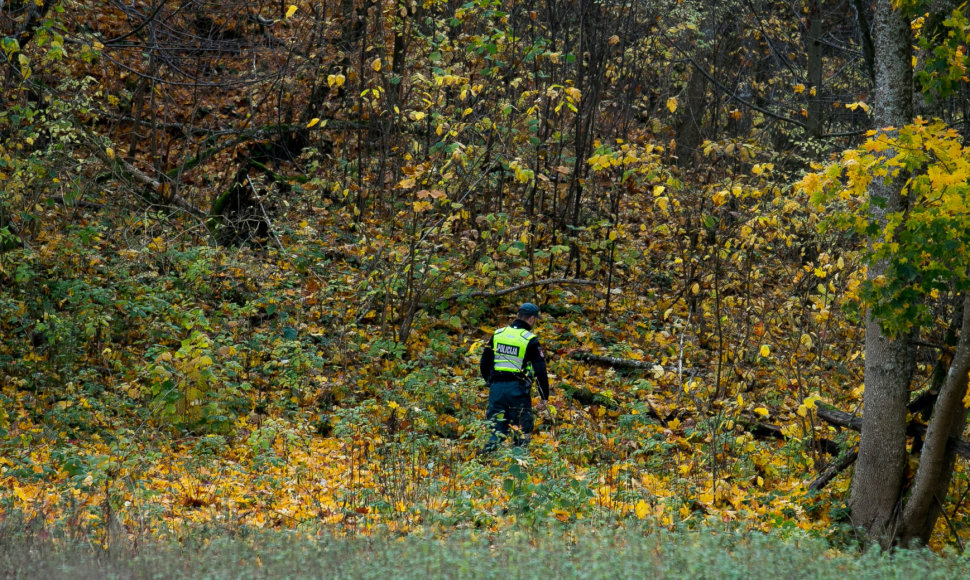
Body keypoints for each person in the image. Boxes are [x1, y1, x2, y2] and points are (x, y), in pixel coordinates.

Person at [479, 302, 550, 451]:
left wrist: (490, 382)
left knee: (496, 430)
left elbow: (484, 362)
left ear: (518, 316)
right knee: (521, 431)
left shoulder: (498, 334)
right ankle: (519, 464)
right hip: (517, 391)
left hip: (497, 389)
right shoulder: (529, 339)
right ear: (531, 319)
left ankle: (484, 459)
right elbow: (540, 369)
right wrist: (544, 396)